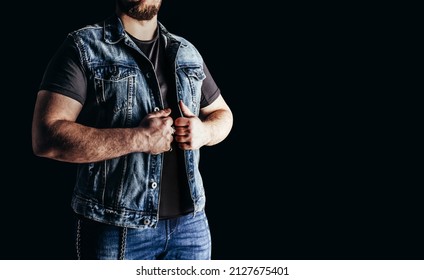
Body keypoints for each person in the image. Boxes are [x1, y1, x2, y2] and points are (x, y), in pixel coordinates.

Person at [31, 0, 233, 260]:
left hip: (191, 229)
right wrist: (139, 138)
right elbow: (46, 136)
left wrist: (204, 132)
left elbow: (223, 115)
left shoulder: (186, 51)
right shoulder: (83, 47)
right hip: (116, 228)